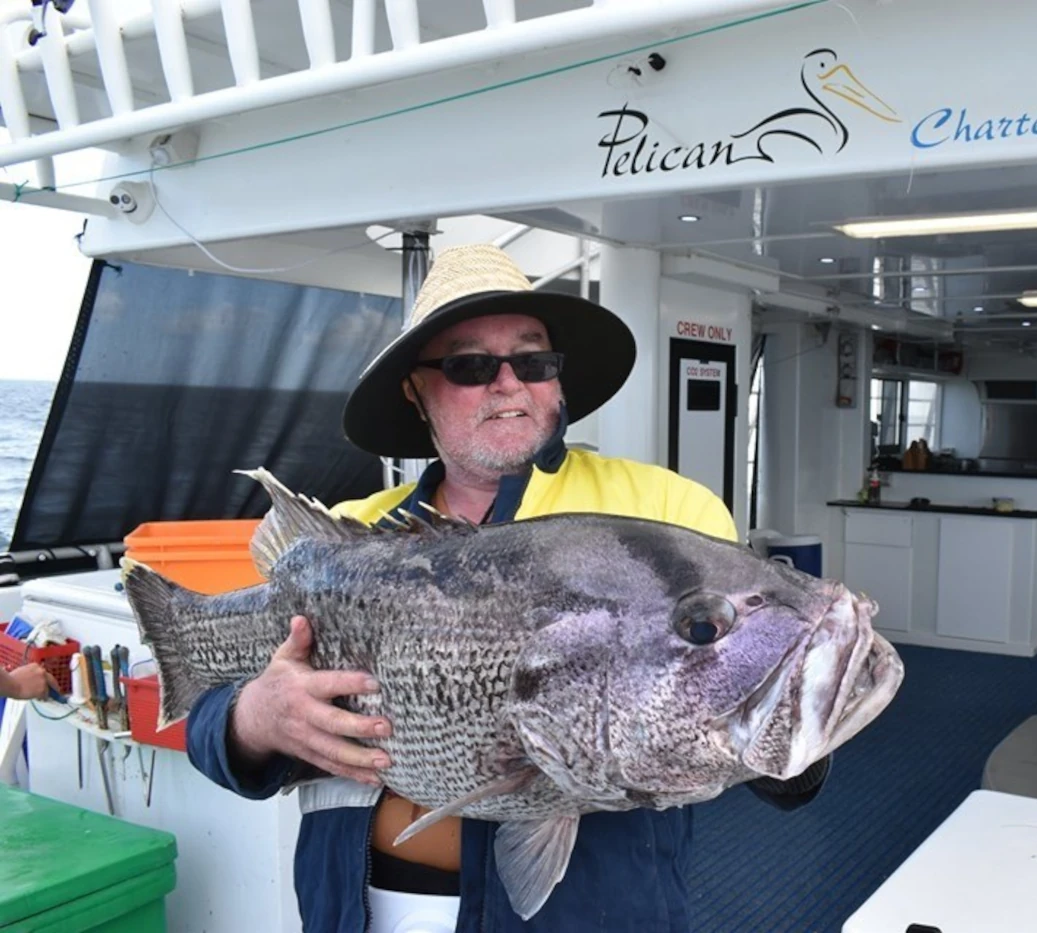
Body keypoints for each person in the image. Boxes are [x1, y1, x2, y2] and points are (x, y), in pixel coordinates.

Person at [183, 244, 829, 932]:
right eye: (469, 366)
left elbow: (761, 708)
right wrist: (255, 717)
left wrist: (795, 728)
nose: (508, 383)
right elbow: (209, 720)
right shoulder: (351, 538)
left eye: (533, 361)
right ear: (414, 388)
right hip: (356, 906)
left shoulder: (667, 518)